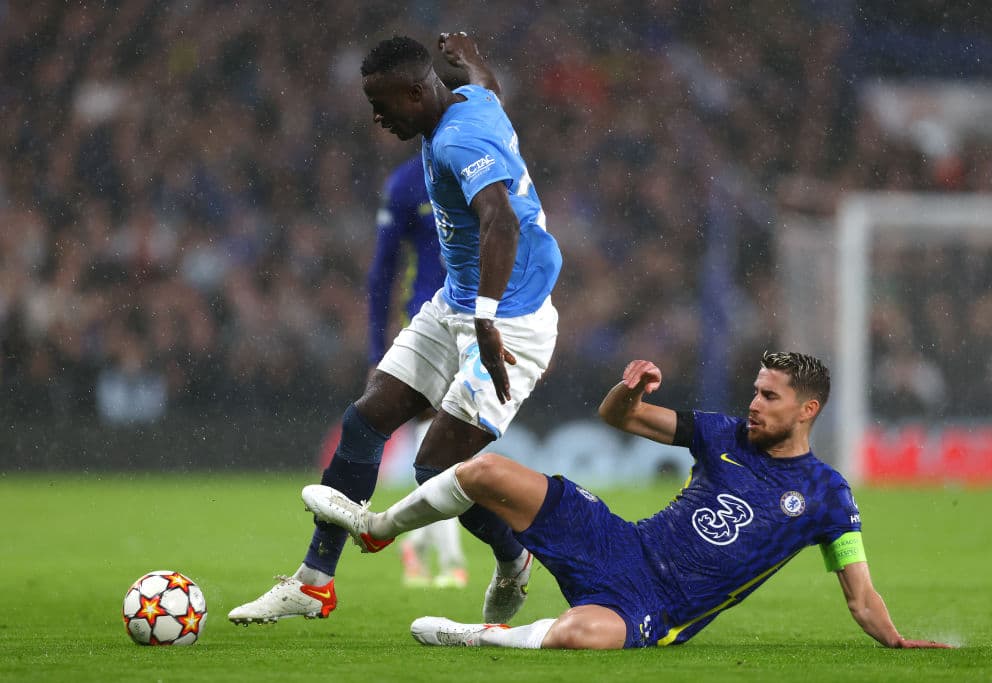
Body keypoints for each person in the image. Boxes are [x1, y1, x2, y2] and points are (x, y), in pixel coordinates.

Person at [229, 33, 561, 625]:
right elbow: (489, 85)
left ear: (416, 91)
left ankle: (515, 557)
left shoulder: (461, 141)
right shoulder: (471, 102)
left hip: (510, 321)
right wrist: (474, 56)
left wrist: (485, 319)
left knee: (436, 471)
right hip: (454, 303)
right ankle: (313, 584)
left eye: (382, 104)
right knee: (365, 420)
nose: (377, 118)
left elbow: (501, 222)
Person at [302, 352, 954, 650]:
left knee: (583, 635)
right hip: (619, 541)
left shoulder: (827, 496)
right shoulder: (721, 433)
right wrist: (629, 387)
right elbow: (623, 420)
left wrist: (896, 639)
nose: (753, 402)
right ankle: (378, 525)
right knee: (486, 471)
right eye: (755, 389)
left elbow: (859, 591)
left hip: (655, 604)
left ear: (807, 410)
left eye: (770, 396)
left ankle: (475, 635)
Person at [366, 151, 468, 589]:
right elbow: (381, 272)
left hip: (479, 320)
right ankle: (448, 558)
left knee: (449, 441)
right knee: (440, 440)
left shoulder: (480, 165)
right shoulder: (406, 183)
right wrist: (376, 352)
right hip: (428, 319)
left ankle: (418, 547)